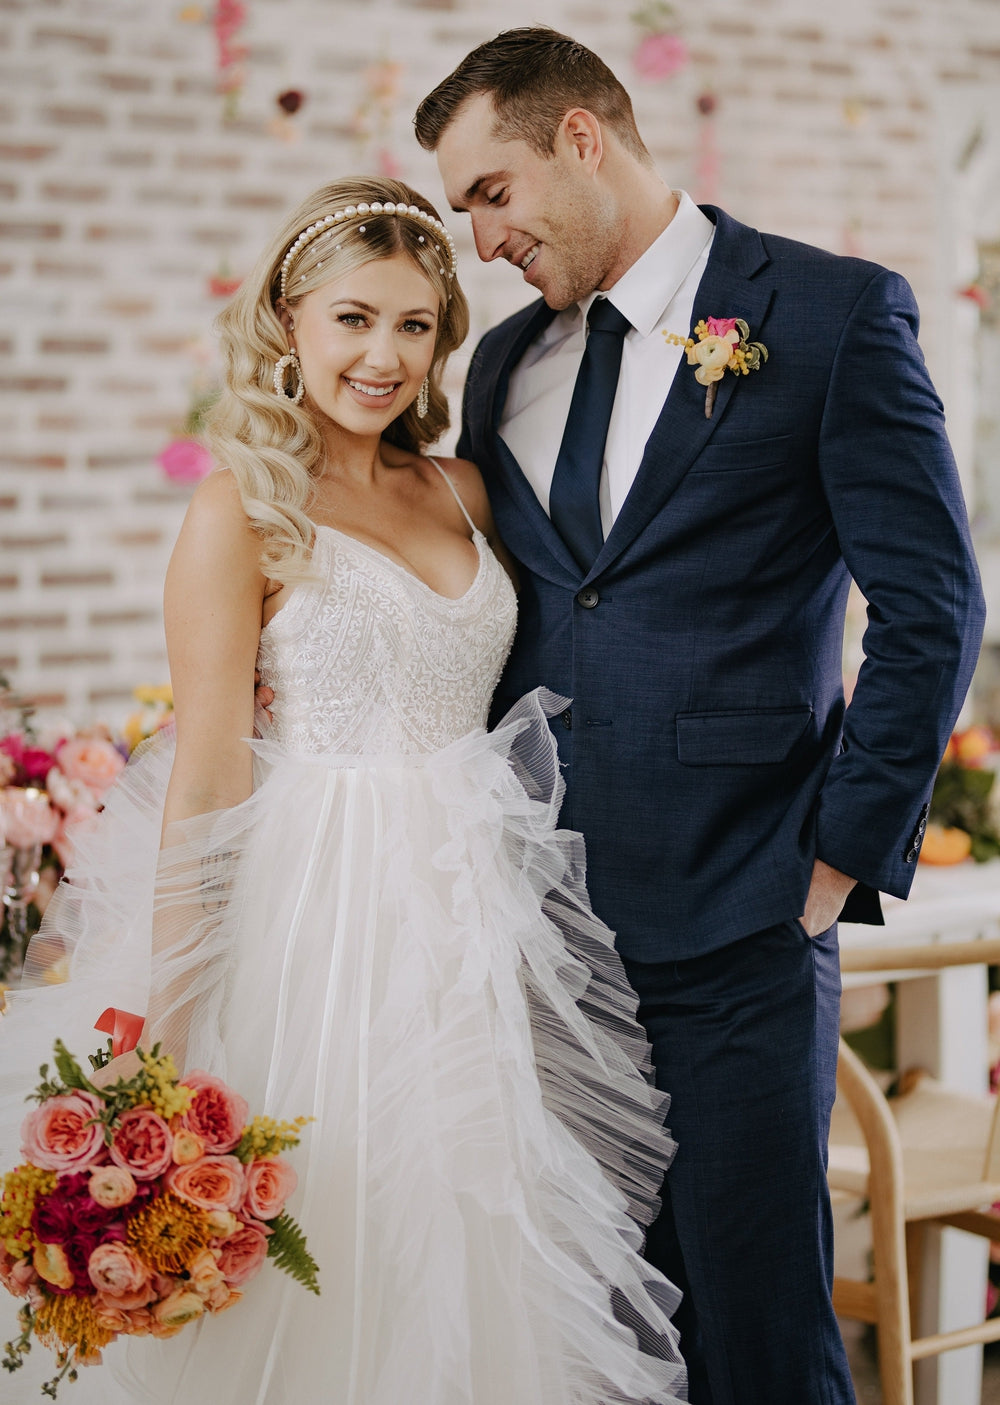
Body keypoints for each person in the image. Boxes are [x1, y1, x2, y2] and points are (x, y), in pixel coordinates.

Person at [0, 177, 688, 1405]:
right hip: (316, 913)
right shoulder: (240, 508)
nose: (383, 355)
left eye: (414, 325)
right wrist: (168, 1021)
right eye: (354, 319)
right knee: (333, 1214)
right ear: (289, 321)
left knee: (465, 1220)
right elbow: (209, 768)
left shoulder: (466, 490)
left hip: (471, 906)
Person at [414, 26, 986, 1405]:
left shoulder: (834, 315)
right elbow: (510, 607)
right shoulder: (503, 368)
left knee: (758, 1333)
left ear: (581, 138)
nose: (481, 240)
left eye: (491, 191)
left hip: (742, 921)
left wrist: (836, 859)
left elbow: (933, 606)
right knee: (604, 1337)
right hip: (545, 940)